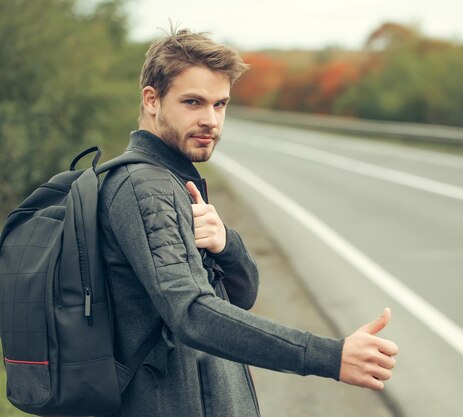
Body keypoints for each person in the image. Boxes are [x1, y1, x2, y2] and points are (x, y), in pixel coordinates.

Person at [98, 28, 398, 417]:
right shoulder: (145, 188)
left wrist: (227, 244)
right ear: (152, 100)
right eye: (193, 102)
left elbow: (240, 295)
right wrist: (329, 355)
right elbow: (191, 313)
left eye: (220, 105)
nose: (210, 120)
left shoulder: (174, 179)